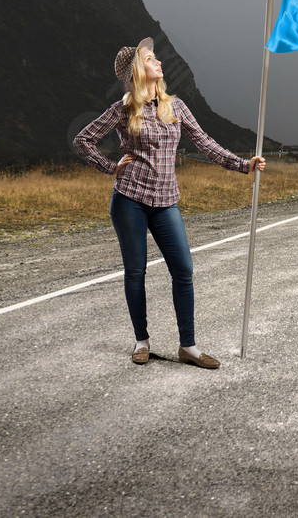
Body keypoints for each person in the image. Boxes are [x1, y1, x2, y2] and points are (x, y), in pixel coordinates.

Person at [74, 37, 266, 368]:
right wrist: (110, 166)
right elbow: (83, 140)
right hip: (129, 200)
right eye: (150, 58)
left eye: (156, 57)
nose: (159, 62)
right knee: (135, 271)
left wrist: (242, 164)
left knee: (183, 270)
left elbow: (204, 143)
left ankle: (188, 347)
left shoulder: (174, 106)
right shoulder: (123, 110)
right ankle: (141, 342)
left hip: (166, 201)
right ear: (137, 70)